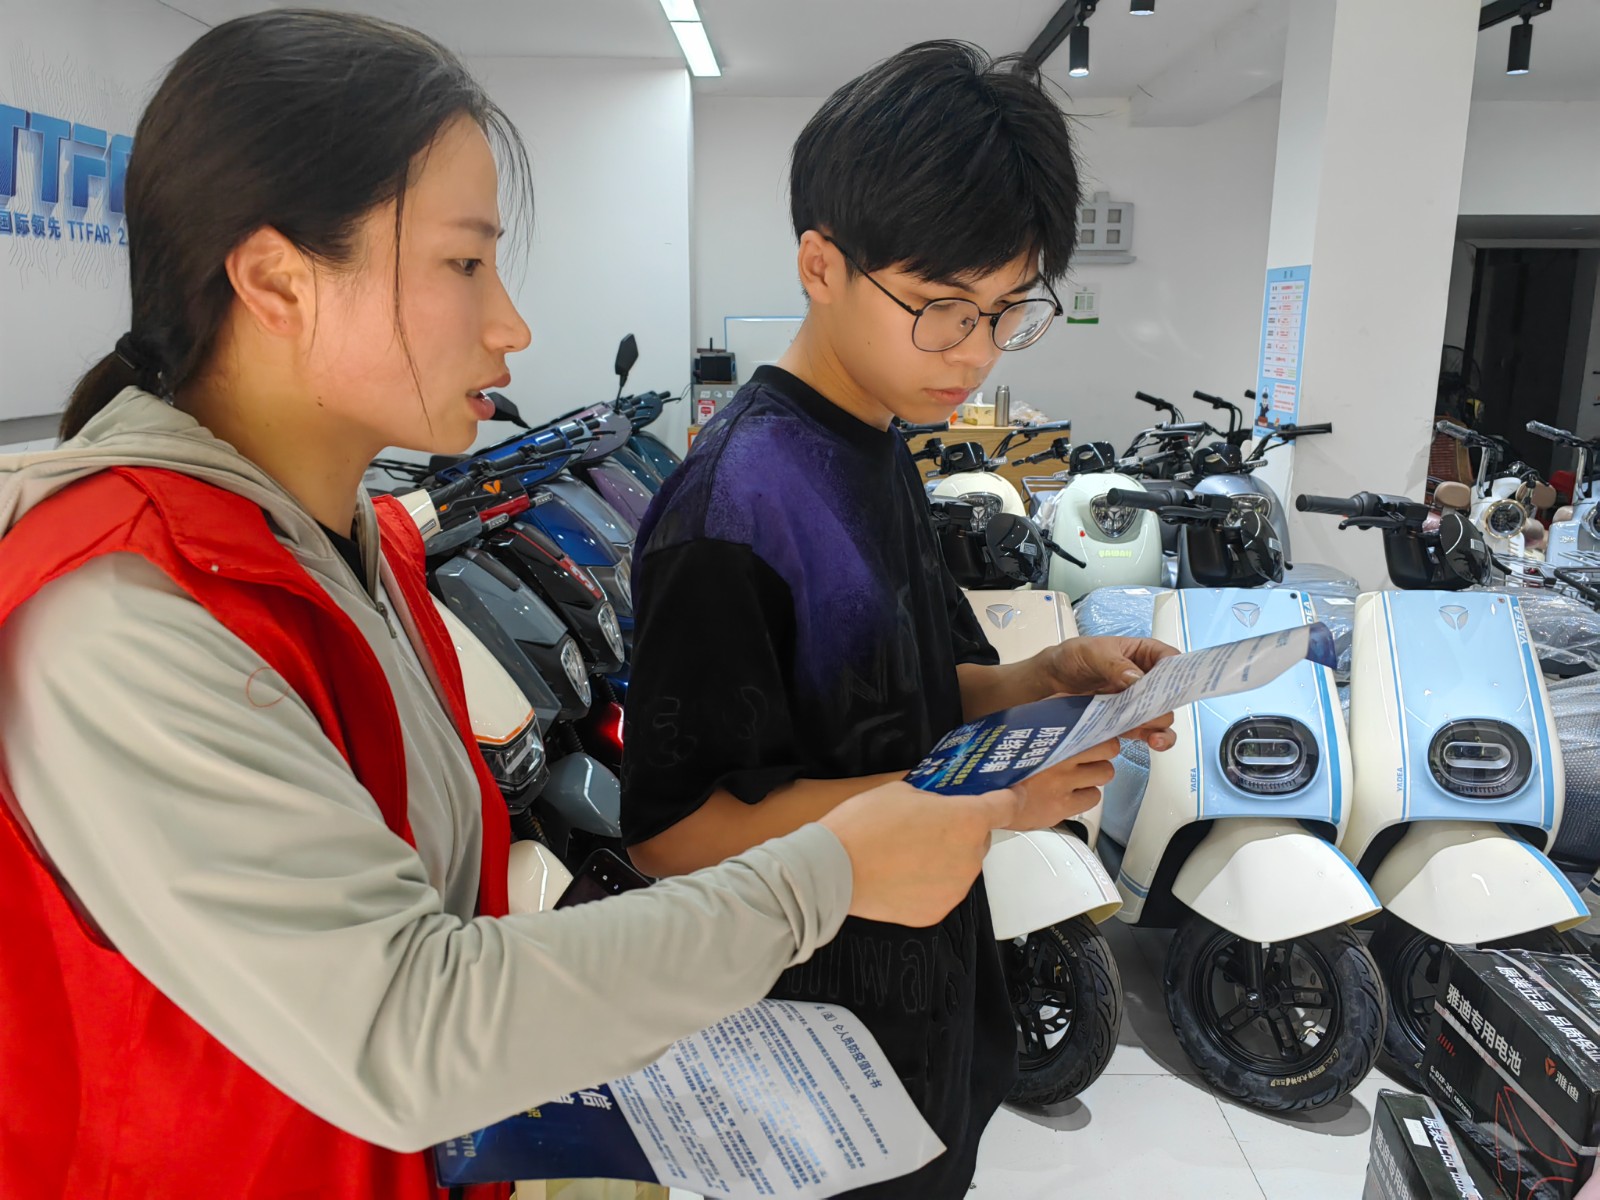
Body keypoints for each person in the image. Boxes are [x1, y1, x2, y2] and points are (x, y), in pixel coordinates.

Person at [0, 15, 1085, 1200]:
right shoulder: (123, 608)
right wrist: (829, 870)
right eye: (464, 264)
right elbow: (408, 1026)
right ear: (275, 281)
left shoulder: (347, 547)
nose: (511, 324)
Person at [621, 41, 1178, 1200]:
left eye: (1005, 311)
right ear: (820, 265)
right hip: (806, 1076)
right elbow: (674, 835)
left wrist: (1043, 679)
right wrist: (987, 802)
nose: (973, 353)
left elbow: (904, 696)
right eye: (939, 309)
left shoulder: (877, 443)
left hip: (923, 1035)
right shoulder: (734, 506)